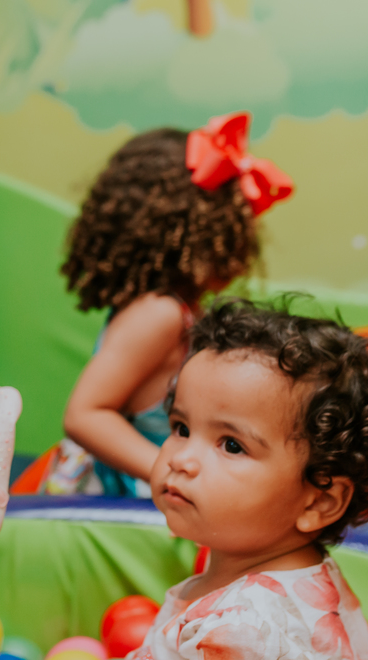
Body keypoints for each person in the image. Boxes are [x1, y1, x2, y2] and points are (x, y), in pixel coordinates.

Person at [0, 300, 368, 660]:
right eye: (181, 427)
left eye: (231, 445)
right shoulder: (302, 577)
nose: (181, 458)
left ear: (318, 501)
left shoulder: (242, 623)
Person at [45, 113, 293, 497]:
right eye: (234, 228)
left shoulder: (180, 310)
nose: (244, 244)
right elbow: (84, 415)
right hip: (120, 505)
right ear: (199, 234)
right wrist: (176, 474)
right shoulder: (158, 314)